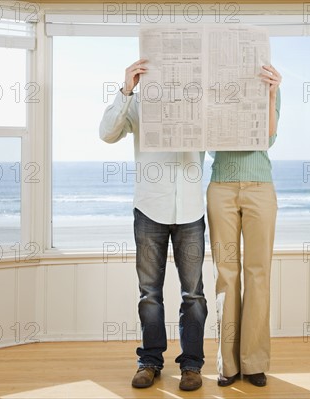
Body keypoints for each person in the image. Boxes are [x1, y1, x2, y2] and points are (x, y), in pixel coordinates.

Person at [99, 59, 208, 392]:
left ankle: (191, 365)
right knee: (149, 293)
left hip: (190, 208)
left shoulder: (201, 104)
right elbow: (107, 134)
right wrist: (127, 88)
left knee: (193, 295)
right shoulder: (138, 104)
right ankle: (150, 361)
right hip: (150, 207)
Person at [207, 65, 282, 388]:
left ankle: (254, 362)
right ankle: (229, 363)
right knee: (226, 275)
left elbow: (268, 138)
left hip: (260, 187)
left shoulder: (269, 87)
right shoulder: (212, 92)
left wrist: (272, 93)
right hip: (221, 186)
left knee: (258, 274)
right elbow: (210, 145)